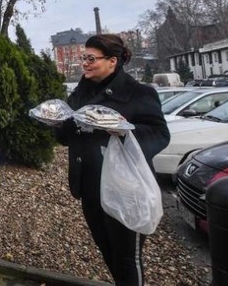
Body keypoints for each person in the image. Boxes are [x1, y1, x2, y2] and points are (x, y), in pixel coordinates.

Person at [54, 34, 170, 286]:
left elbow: (160, 135)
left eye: (91, 58)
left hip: (126, 189)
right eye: (83, 57)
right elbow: (66, 138)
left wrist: (121, 129)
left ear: (112, 61)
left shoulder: (139, 93)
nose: (84, 62)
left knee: (128, 258)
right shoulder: (80, 93)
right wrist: (57, 123)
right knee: (107, 249)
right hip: (90, 187)